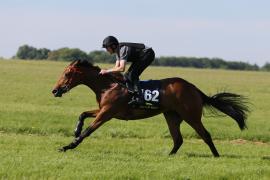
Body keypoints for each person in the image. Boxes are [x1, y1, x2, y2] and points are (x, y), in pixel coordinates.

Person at [99, 36, 155, 105]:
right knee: (126, 76)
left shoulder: (123, 49)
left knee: (132, 75)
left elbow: (121, 68)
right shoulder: (117, 51)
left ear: (113, 46)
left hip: (148, 54)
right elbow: (117, 67)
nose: (107, 50)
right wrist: (107, 71)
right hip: (140, 56)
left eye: (107, 48)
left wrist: (107, 71)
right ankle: (133, 96)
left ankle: (140, 99)